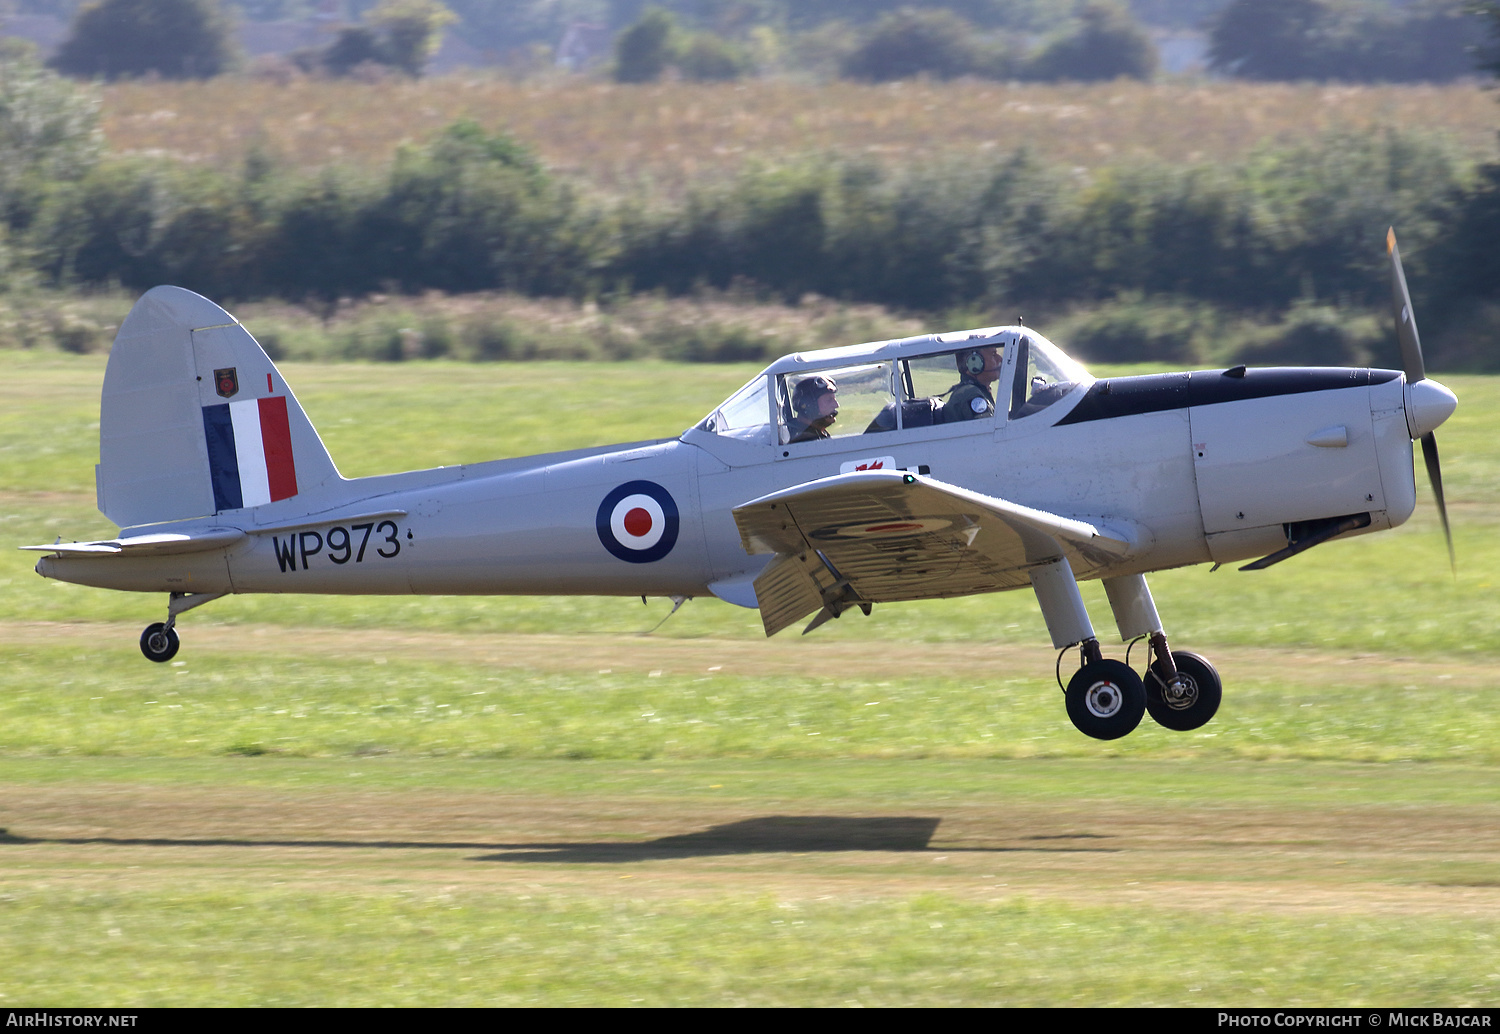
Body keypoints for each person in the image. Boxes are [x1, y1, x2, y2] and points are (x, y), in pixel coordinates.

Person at [942, 345, 1002, 422]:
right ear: (974, 362)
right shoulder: (971, 394)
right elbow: (988, 428)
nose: (1000, 359)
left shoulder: (977, 391)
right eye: (993, 354)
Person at [786, 374, 838, 443]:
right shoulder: (803, 440)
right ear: (810, 405)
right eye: (829, 400)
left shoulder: (816, 433)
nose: (836, 405)